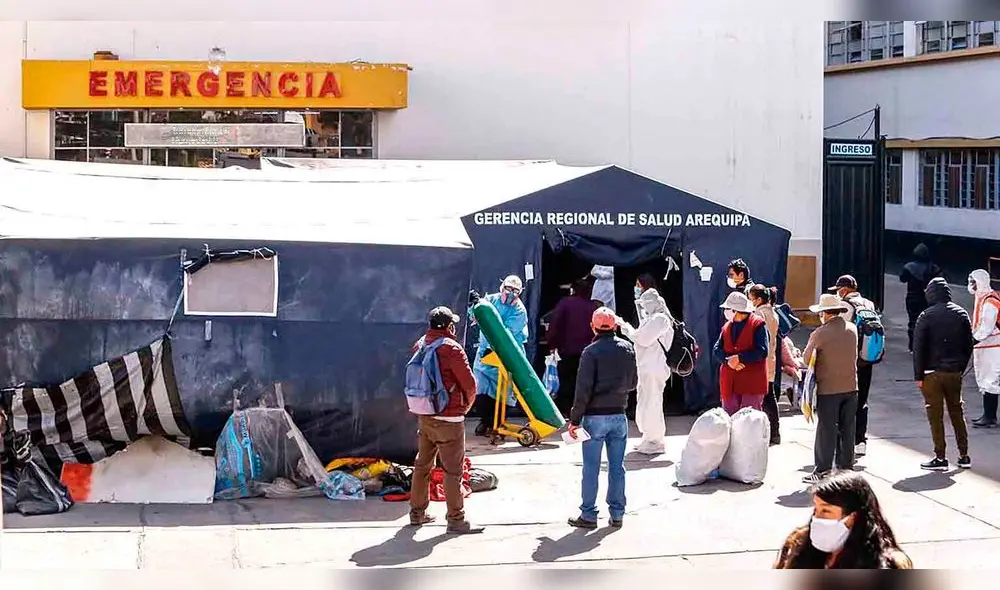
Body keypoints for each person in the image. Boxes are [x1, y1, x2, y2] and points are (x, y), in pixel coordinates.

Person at [408, 306, 484, 534]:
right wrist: (464, 408)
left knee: (422, 465)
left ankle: (417, 514)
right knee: (453, 471)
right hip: (449, 419)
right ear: (449, 325)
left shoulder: (421, 344)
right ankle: (456, 520)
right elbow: (470, 384)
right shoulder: (452, 349)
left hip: (425, 414)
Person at [566, 307, 638, 529]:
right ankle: (617, 514)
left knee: (591, 467)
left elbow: (583, 390)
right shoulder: (628, 349)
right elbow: (634, 382)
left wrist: (575, 419)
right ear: (615, 326)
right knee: (617, 467)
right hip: (619, 416)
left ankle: (588, 515)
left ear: (593, 327)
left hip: (595, 418)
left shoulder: (590, 352)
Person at [775, 470, 912, 569]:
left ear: (852, 517)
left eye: (826, 511)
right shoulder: (797, 544)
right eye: (815, 509)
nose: (816, 518)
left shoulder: (889, 563)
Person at [912, 278, 974, 471]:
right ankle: (964, 456)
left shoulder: (926, 316)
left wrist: (918, 376)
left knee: (935, 415)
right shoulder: (961, 313)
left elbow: (919, 348)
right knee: (957, 412)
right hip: (954, 372)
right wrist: (960, 369)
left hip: (932, 373)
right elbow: (968, 345)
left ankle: (940, 458)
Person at [801, 294, 858, 485]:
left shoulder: (820, 333)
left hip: (829, 389)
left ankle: (823, 469)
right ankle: (846, 469)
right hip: (851, 387)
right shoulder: (852, 329)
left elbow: (806, 359)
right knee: (847, 429)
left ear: (824, 313)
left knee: (826, 430)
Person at [617, 281, 675, 455]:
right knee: (645, 402)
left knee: (652, 404)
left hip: (654, 368)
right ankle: (648, 437)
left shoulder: (660, 319)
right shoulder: (653, 319)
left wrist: (624, 326)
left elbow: (641, 338)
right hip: (646, 368)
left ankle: (655, 440)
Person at [472, 275, 529, 436]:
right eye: (508, 288)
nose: (510, 292)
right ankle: (485, 420)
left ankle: (498, 424)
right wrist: (473, 304)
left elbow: (506, 333)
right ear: (502, 286)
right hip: (484, 354)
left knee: (502, 393)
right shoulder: (490, 300)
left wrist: (496, 348)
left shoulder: (519, 310)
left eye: (515, 290)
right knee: (481, 389)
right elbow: (476, 315)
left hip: (507, 354)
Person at [829, 274, 877, 457]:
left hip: (850, 359)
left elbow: (840, 329)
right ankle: (861, 440)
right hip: (868, 357)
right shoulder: (869, 303)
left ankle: (846, 439)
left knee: (847, 399)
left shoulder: (846, 306)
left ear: (844, 289)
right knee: (863, 399)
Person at [547, 278, 601, 417]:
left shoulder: (565, 303)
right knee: (585, 381)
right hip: (589, 351)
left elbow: (555, 325)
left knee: (566, 380)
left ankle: (566, 410)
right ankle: (583, 409)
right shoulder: (594, 307)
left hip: (568, 350)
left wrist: (553, 344)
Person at [714, 291, 769, 415]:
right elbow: (717, 350)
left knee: (749, 421)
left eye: (728, 309)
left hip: (751, 383)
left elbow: (762, 351)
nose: (726, 312)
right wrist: (728, 361)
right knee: (729, 419)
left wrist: (740, 358)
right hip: (730, 382)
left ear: (735, 310)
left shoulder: (758, 325)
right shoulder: (727, 327)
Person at [749, 284, 782, 445]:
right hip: (770, 359)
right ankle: (774, 431)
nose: (750, 301)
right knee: (769, 396)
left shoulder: (759, 314)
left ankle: (772, 432)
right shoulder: (772, 313)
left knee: (766, 397)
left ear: (759, 299)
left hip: (761, 361)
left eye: (751, 298)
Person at [968, 269, 1000, 428]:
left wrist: (972, 340)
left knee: (990, 380)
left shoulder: (990, 301)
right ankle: (987, 415)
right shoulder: (981, 297)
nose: (971, 286)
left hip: (993, 345)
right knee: (984, 378)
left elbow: (987, 327)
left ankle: (990, 417)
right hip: (985, 345)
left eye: (973, 282)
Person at [900, 243, 943, 353]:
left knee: (913, 322)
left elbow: (902, 279)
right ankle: (925, 346)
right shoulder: (933, 268)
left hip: (912, 298)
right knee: (926, 322)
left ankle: (913, 346)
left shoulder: (909, 267)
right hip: (928, 299)